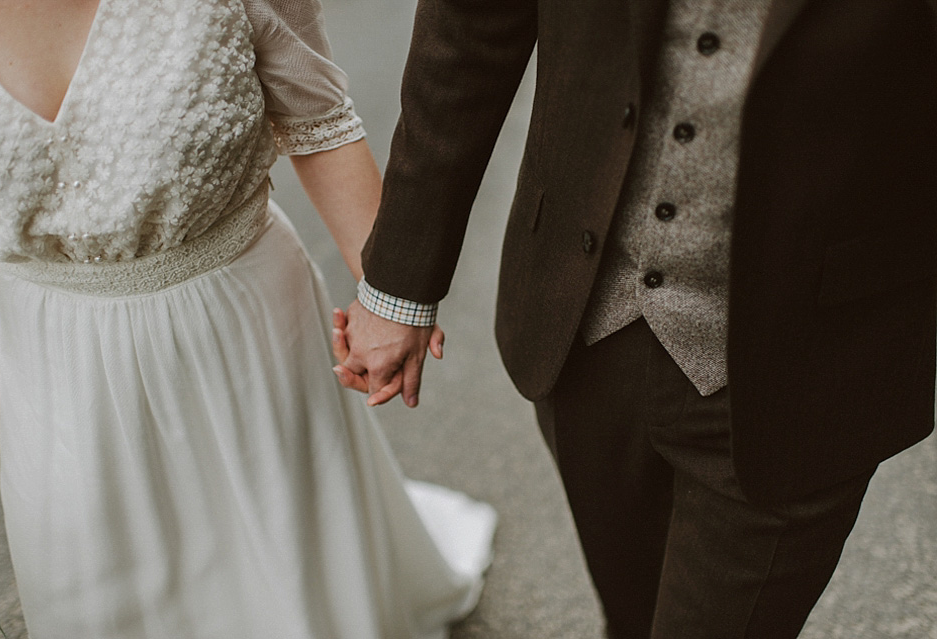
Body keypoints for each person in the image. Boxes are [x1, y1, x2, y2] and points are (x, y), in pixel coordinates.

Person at [332, 0, 937, 637]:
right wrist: (397, 288)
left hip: (814, 350)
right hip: (582, 315)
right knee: (630, 615)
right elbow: (470, 28)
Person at [0, 1, 496, 637]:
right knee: (96, 579)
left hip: (237, 320)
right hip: (56, 362)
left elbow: (319, 124)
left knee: (279, 565)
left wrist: (391, 299)